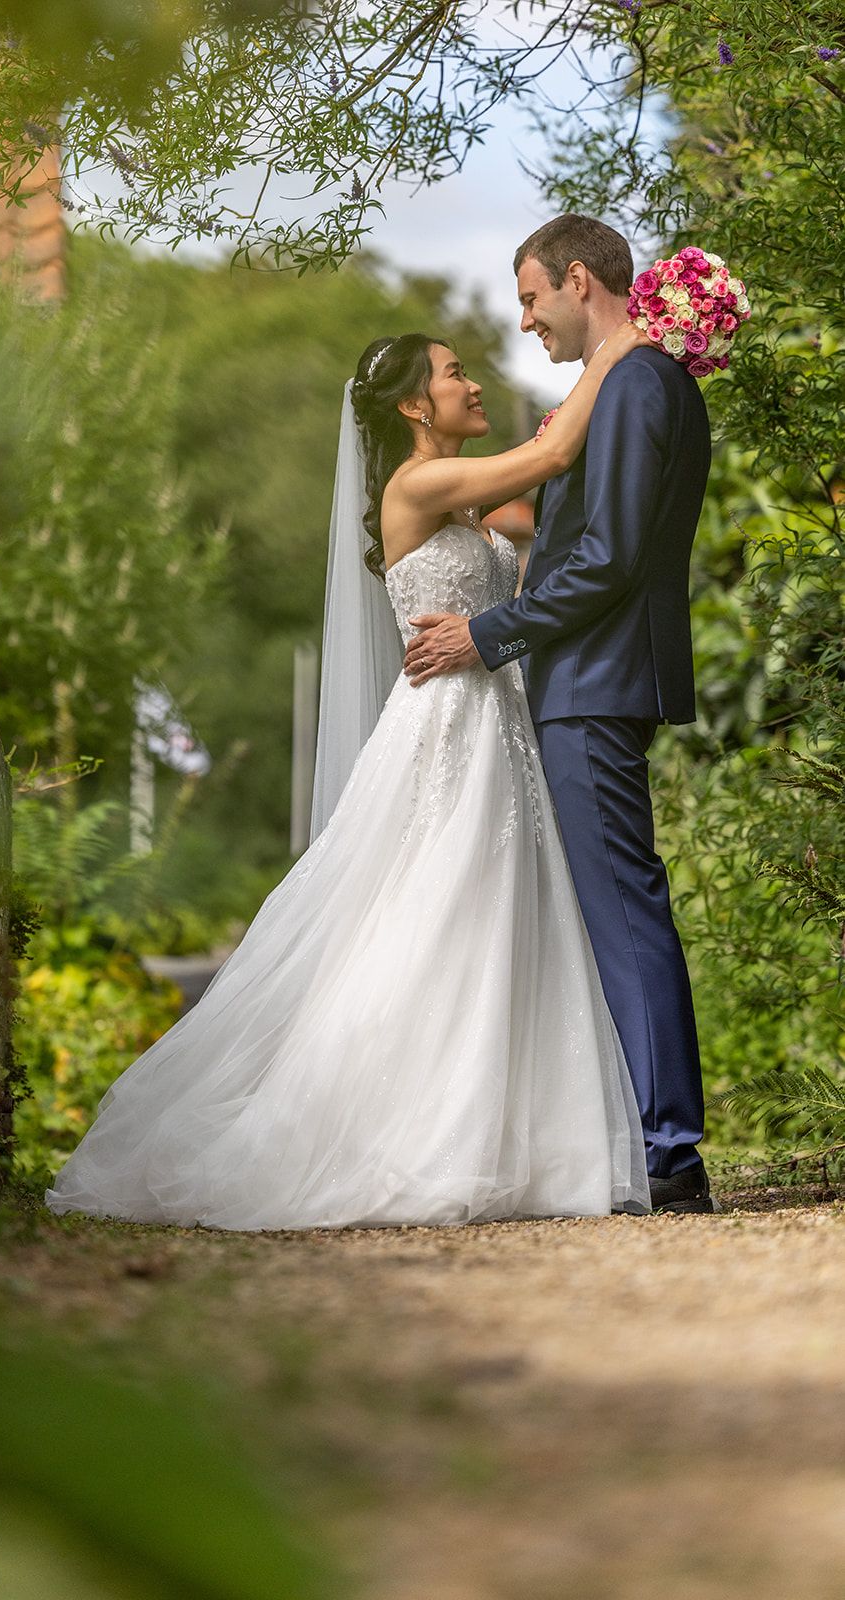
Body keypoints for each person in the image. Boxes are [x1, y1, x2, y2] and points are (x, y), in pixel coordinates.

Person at [44, 319, 653, 1230]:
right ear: (414, 405)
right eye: (454, 375)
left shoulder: (461, 504)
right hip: (445, 726)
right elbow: (556, 448)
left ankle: (507, 1138)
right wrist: (621, 341)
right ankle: (401, 1134)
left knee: (496, 913)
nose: (473, 385)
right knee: (434, 909)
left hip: (497, 717)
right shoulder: (420, 483)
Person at [402, 214, 717, 1216]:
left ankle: (666, 1149)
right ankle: (644, 1138)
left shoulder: (632, 384)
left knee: (624, 913)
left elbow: (609, 554)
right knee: (619, 910)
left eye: (531, 297)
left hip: (592, 683)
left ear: (577, 281)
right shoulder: (640, 380)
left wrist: (490, 632)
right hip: (603, 676)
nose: (526, 320)